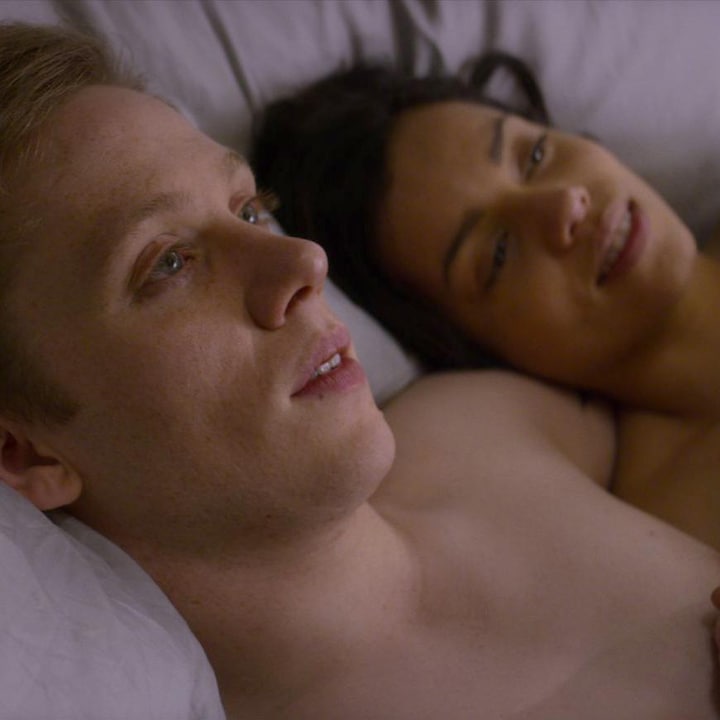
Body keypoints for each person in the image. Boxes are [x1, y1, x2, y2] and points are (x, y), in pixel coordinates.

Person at [1, 23, 719, 719]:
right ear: (23, 450)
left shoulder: (483, 419)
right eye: (169, 263)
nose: (304, 260)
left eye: (250, 210)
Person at [252, 58, 720, 551]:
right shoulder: (678, 535)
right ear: (472, 347)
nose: (564, 206)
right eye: (498, 254)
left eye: (534, 155)